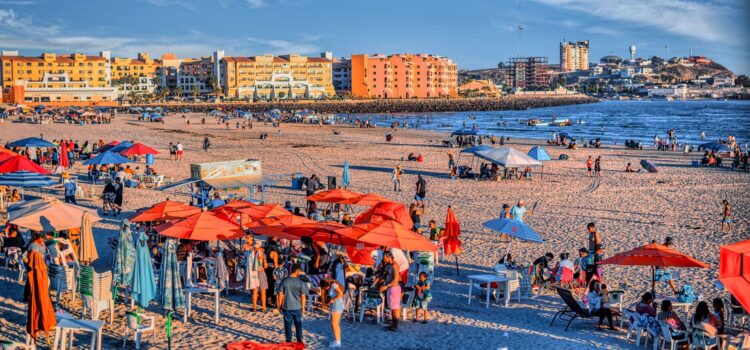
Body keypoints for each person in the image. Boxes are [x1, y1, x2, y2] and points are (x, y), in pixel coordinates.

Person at [277, 264, 308, 344]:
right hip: (297, 307)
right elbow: (303, 296)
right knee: (298, 325)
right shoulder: (300, 282)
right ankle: (299, 340)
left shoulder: (284, 281)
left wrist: (279, 306)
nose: (300, 273)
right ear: (297, 271)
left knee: (288, 325)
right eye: (300, 271)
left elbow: (280, 294)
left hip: (286, 307)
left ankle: (288, 340)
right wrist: (303, 309)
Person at [378, 251, 401, 331]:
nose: (384, 260)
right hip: (390, 288)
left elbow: (396, 279)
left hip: (394, 288)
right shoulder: (388, 265)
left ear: (389, 257)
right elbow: (385, 275)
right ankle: (393, 324)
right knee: (392, 307)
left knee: (395, 308)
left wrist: (386, 286)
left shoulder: (395, 265)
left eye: (385, 258)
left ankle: (396, 325)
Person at [320, 278, 344, 348]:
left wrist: (333, 300)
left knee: (334, 324)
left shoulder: (333, 285)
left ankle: (337, 342)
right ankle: (337, 340)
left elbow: (341, 293)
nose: (325, 289)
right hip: (337, 305)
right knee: (336, 324)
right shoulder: (332, 285)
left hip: (337, 305)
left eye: (325, 287)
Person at [248, 240, 268, 312]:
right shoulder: (262, 254)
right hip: (261, 273)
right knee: (263, 291)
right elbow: (265, 266)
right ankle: (263, 308)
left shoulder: (251, 254)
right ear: (260, 245)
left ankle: (254, 308)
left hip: (253, 273)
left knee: (254, 291)